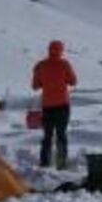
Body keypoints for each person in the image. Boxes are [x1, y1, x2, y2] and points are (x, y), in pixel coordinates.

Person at [32, 40, 77, 169]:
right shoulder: (64, 64)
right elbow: (73, 81)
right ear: (61, 51)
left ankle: (44, 163)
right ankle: (61, 163)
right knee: (61, 135)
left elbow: (35, 86)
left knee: (47, 136)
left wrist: (45, 82)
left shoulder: (40, 65)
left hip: (47, 106)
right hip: (63, 105)